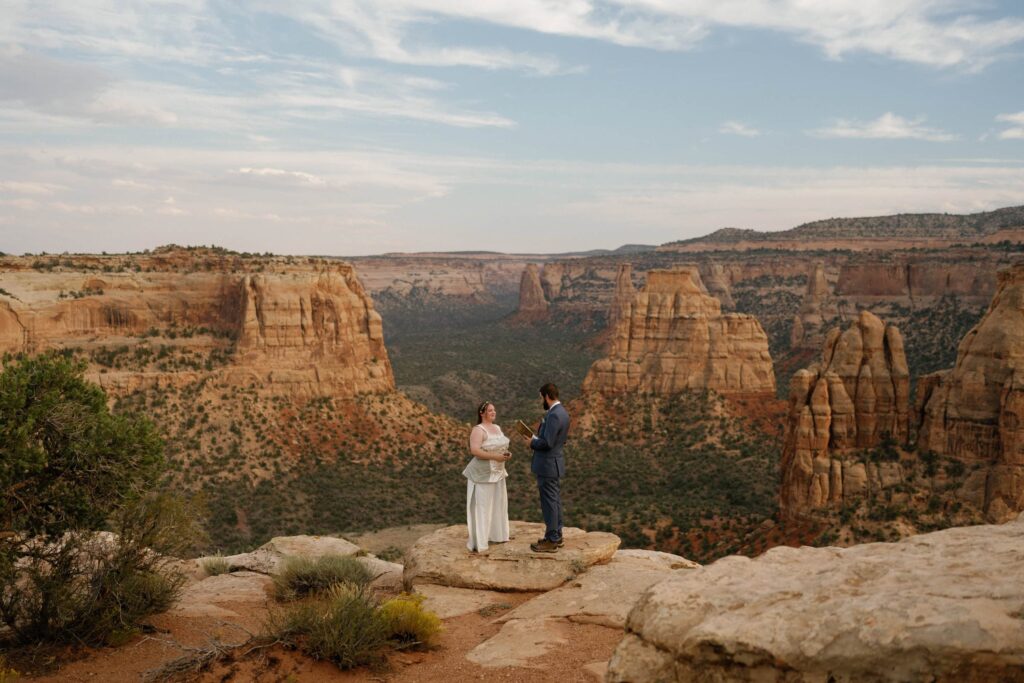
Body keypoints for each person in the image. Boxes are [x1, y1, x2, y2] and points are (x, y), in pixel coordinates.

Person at [523, 383, 570, 553]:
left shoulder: (554, 415)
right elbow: (560, 440)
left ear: (547, 396)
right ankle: (557, 535)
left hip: (547, 465)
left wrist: (532, 442)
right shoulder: (563, 413)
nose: (541, 400)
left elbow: (548, 443)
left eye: (541, 397)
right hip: (555, 463)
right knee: (555, 501)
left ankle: (552, 540)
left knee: (549, 503)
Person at [463, 401, 512, 553]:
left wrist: (505, 454)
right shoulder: (478, 430)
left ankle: (497, 535)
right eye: (490, 410)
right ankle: (480, 542)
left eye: (494, 410)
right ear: (482, 413)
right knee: (482, 507)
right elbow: (475, 451)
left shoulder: (497, 428)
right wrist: (496, 457)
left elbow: (501, 447)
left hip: (498, 473)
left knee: (498, 503)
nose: (493, 412)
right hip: (482, 475)